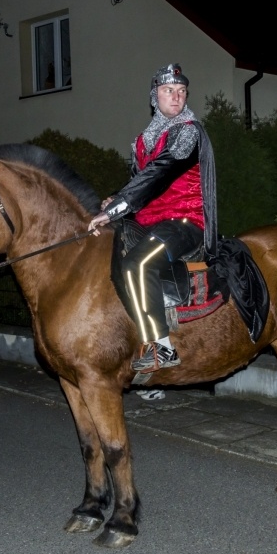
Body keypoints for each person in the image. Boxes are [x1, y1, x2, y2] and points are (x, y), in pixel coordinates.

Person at [88, 63, 217, 382]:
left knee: (136, 264)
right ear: (154, 97)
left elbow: (160, 173)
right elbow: (142, 181)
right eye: (168, 91)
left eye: (181, 91)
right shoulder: (142, 142)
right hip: (150, 223)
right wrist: (116, 200)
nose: (176, 96)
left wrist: (118, 206)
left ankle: (161, 346)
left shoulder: (188, 131)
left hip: (185, 223)